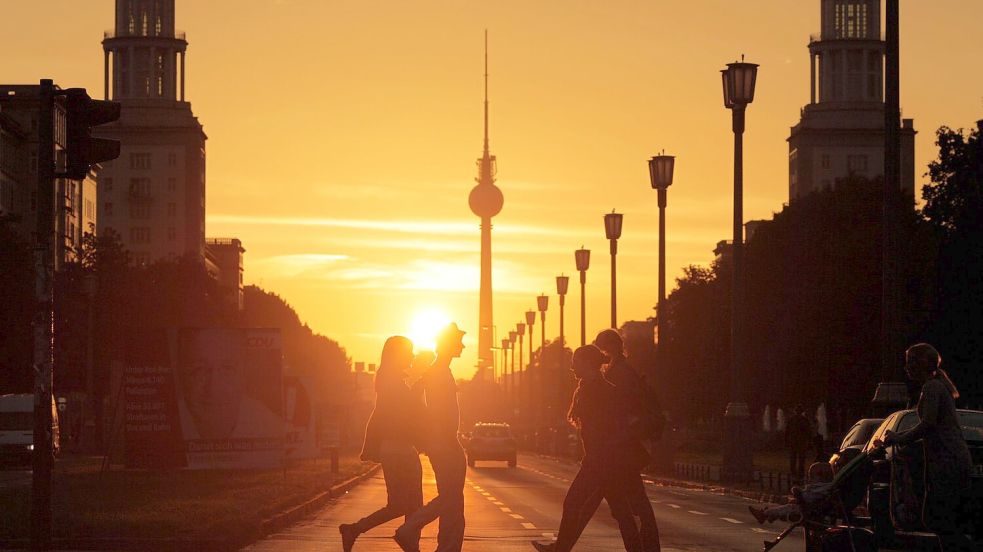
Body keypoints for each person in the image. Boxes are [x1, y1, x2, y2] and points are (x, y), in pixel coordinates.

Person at [531, 345, 645, 552]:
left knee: (574, 503)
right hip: (607, 460)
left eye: (576, 362)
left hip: (601, 461)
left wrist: (597, 457)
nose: (572, 367)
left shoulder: (599, 391)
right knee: (620, 511)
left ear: (587, 364)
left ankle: (560, 550)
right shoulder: (594, 388)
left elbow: (608, 428)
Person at [882, 343, 975, 552]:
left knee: (938, 517)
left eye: (909, 363)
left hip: (947, 461)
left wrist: (898, 438)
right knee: (937, 518)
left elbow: (928, 424)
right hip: (947, 461)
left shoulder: (931, 387)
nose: (906, 368)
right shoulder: (936, 386)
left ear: (919, 364)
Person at [339, 336, 425, 552]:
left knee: (405, 505)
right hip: (401, 451)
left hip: (395, 450)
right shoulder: (393, 383)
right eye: (409, 351)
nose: (412, 356)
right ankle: (408, 543)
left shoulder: (389, 380)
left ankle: (357, 530)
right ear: (399, 355)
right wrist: (420, 386)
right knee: (409, 505)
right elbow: (405, 414)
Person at [394, 323, 467, 552]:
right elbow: (440, 412)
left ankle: (447, 547)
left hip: (444, 442)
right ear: (448, 344)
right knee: (450, 498)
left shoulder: (439, 371)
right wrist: (442, 438)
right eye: (458, 341)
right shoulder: (438, 373)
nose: (462, 346)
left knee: (453, 502)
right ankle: (411, 529)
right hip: (445, 443)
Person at [594, 329, 662, 552]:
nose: (601, 354)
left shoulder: (620, 371)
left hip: (624, 444)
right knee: (629, 501)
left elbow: (621, 407)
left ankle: (647, 546)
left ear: (610, 347)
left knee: (628, 501)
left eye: (602, 348)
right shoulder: (621, 368)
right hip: (624, 444)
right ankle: (646, 546)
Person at [785, 406, 811, 482]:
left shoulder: (791, 420)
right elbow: (808, 432)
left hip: (793, 441)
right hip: (801, 442)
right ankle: (800, 473)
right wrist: (809, 441)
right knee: (801, 458)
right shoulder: (804, 420)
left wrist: (786, 441)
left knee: (793, 458)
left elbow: (787, 431)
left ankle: (793, 473)